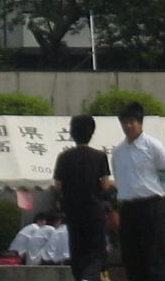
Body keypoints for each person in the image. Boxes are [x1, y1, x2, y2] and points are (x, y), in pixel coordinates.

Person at [111, 101, 165, 281]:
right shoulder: (118, 151)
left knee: (155, 257)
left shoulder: (153, 146)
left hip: (151, 206)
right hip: (129, 209)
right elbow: (118, 177)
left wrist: (159, 193)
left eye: (132, 121)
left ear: (140, 122)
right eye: (124, 122)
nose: (128, 126)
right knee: (132, 259)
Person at [53, 113, 113, 281]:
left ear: (72, 133)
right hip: (94, 212)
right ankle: (89, 277)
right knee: (96, 252)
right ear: (91, 132)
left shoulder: (64, 157)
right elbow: (105, 185)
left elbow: (58, 186)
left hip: (73, 212)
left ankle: (82, 277)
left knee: (77, 251)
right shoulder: (100, 156)